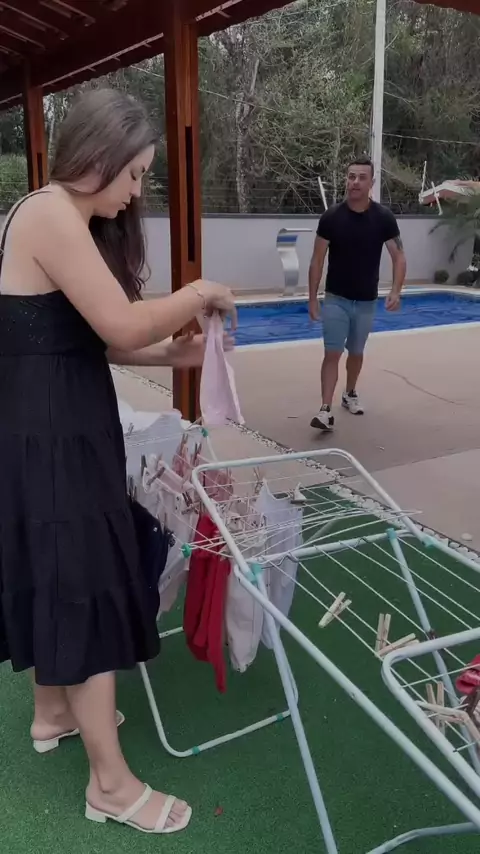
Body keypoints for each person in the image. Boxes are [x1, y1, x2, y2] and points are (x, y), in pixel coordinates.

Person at [0, 88, 237, 835]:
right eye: (135, 174)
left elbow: (91, 341)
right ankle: (110, 786)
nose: (137, 192)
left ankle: (51, 713)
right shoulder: (50, 212)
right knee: (84, 584)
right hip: (54, 436)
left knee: (59, 574)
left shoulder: (55, 217)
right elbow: (121, 322)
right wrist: (197, 293)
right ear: (98, 156)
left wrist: (174, 355)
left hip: (54, 426)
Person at [308, 155, 406, 431]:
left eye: (362, 177)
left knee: (356, 352)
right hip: (336, 299)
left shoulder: (383, 218)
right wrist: (312, 298)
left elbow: (399, 256)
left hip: (365, 301)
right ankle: (325, 410)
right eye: (351, 176)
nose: (355, 182)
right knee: (332, 353)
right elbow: (317, 260)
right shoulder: (331, 217)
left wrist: (396, 290)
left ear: (371, 183)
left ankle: (350, 392)